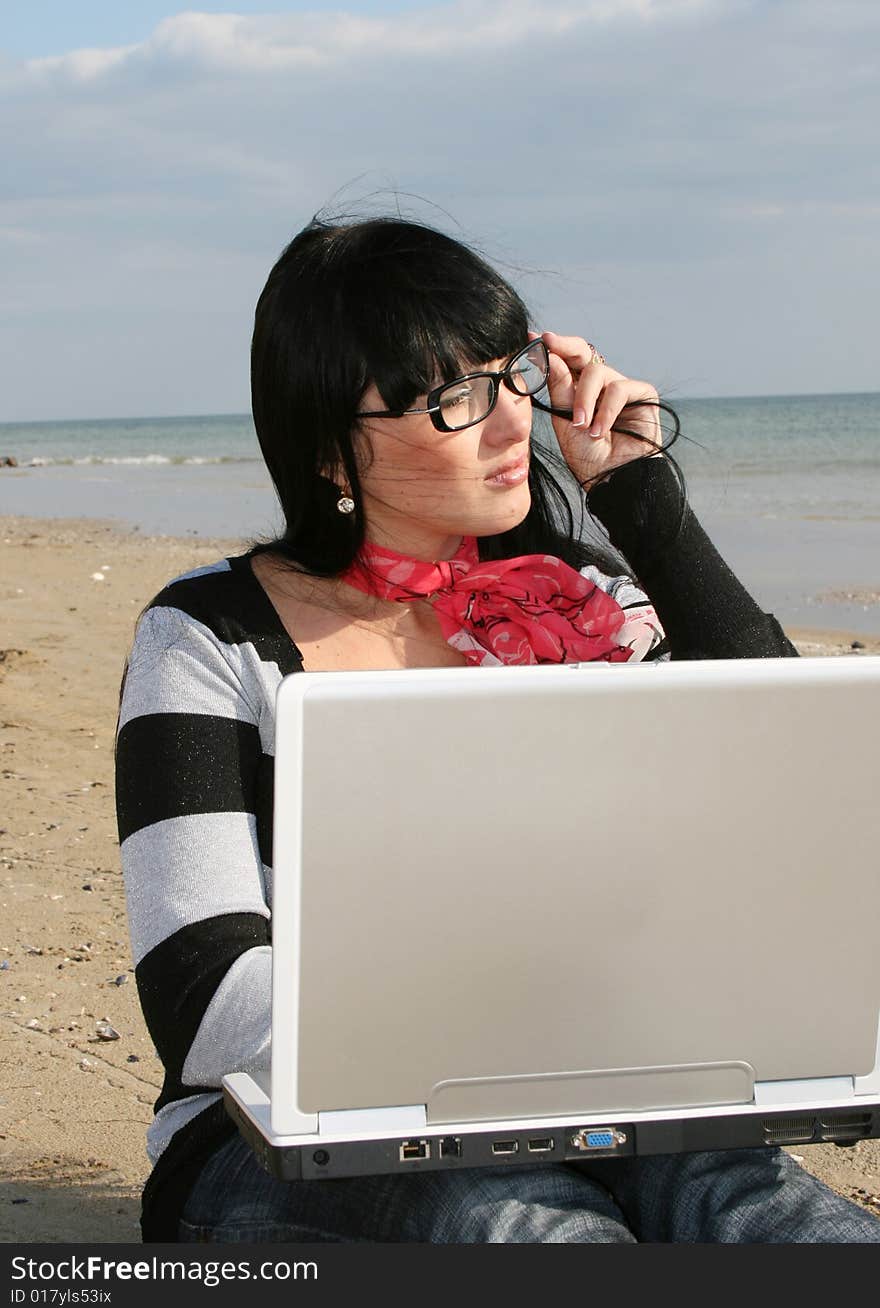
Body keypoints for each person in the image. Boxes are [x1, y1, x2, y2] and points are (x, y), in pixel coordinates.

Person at [115, 215, 879, 1243]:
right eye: (453, 399)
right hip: (290, 1134)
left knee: (762, 1211)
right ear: (329, 450)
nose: (511, 419)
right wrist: (524, 1040)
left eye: (511, 373)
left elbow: (792, 772)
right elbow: (204, 992)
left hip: (608, 1085)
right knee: (525, 1224)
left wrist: (639, 494)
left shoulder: (590, 603)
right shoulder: (210, 637)